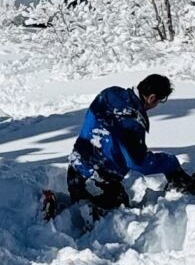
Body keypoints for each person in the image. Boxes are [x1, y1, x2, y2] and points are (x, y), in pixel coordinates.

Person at [49, 74, 184, 221]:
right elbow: (138, 162)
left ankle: (57, 204)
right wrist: (170, 162)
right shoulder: (134, 121)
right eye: (160, 100)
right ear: (151, 98)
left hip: (76, 167)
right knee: (119, 208)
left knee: (79, 198)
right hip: (102, 176)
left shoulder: (109, 93)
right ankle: (91, 208)